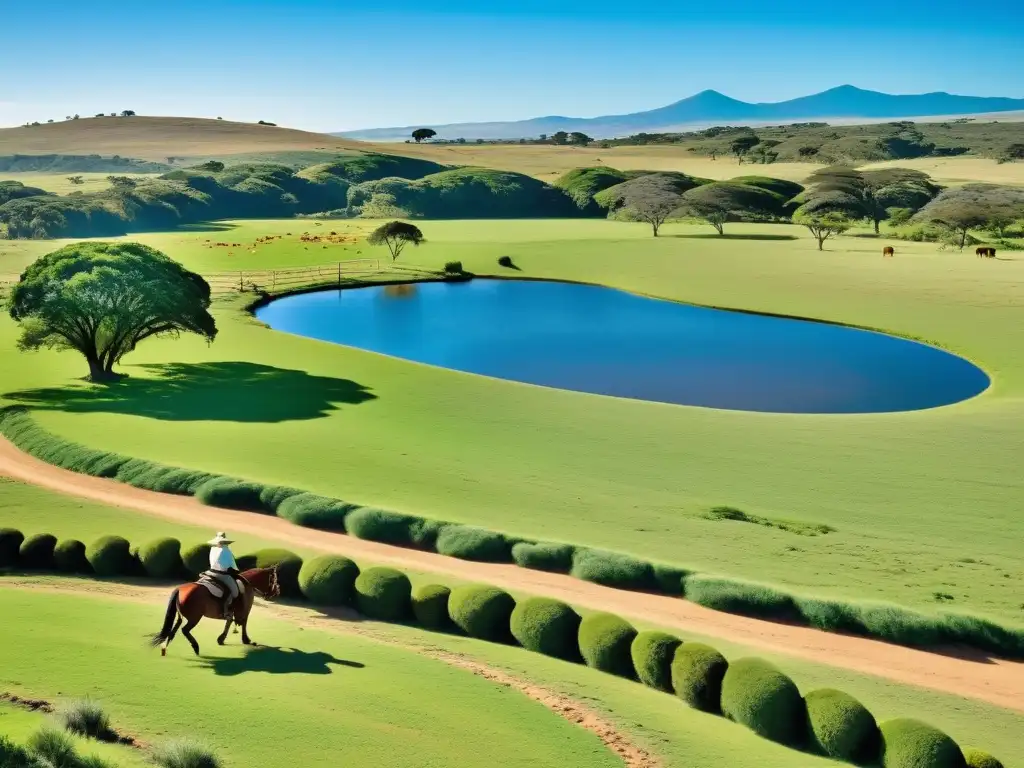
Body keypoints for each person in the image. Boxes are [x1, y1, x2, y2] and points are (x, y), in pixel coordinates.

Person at [207, 532, 241, 619]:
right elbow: (232, 565)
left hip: (210, 573)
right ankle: (226, 611)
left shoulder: (212, 549)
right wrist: (237, 571)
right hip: (221, 575)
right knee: (235, 591)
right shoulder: (226, 551)